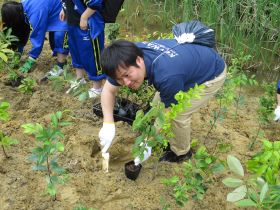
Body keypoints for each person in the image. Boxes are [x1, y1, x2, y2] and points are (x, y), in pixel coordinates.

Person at [98, 39, 226, 163]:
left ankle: (181, 153)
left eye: (127, 75)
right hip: (186, 65)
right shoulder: (123, 61)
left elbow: (168, 113)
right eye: (120, 79)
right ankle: (158, 133)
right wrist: (108, 124)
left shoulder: (166, 76)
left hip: (211, 72)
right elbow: (108, 91)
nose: (125, 83)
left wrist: (148, 142)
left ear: (139, 60)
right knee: (157, 105)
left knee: (178, 115)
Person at [1, 0, 69, 75]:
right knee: (54, 43)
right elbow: (23, 31)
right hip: (53, 12)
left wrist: (30, 60)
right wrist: (18, 52)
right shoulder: (22, 9)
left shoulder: (35, 13)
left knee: (59, 37)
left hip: (65, 12)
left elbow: (38, 37)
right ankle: (60, 57)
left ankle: (61, 66)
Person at [60, 0, 106, 98]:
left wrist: (85, 16)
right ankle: (79, 80)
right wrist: (64, 9)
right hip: (73, 21)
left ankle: (97, 87)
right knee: (75, 52)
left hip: (89, 22)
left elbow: (96, 1)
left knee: (92, 55)